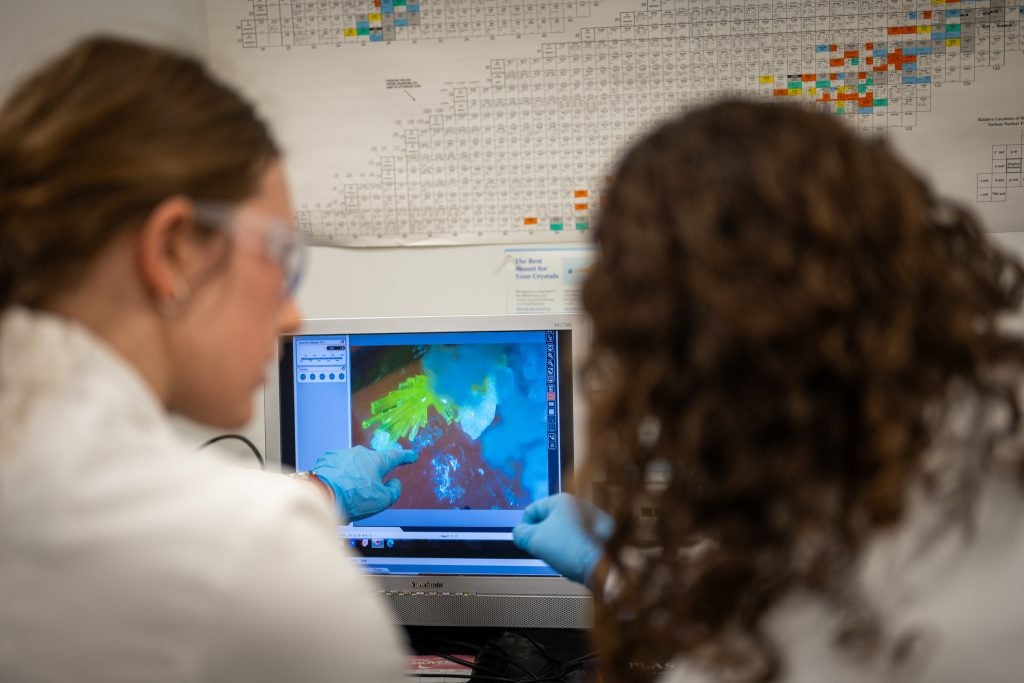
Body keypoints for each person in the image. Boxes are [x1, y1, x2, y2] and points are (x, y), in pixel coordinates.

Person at [513, 100, 1024, 682]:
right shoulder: (986, 401)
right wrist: (616, 571)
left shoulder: (791, 648)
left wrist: (611, 574)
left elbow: (788, 626)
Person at [0, 36, 416, 682]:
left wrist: (323, 490)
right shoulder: (259, 549)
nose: (292, 315)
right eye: (280, 256)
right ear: (173, 252)